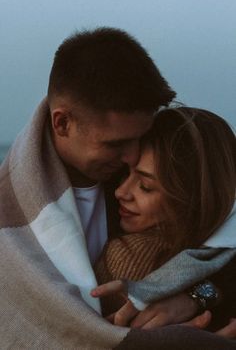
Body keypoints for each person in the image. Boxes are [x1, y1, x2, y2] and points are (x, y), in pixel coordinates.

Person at [0, 27, 235, 349]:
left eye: (139, 138)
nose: (132, 155)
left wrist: (197, 296)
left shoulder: (131, 173)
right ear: (62, 123)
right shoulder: (8, 221)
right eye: (116, 144)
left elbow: (221, 235)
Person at [92, 107, 236, 332]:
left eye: (145, 187)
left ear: (192, 198)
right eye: (125, 173)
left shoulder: (131, 255)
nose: (121, 191)